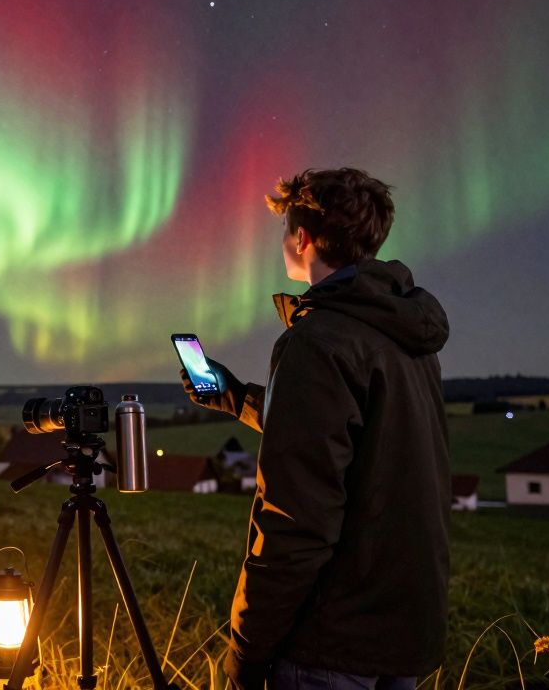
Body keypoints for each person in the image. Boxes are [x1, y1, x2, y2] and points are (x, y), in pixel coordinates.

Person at [180, 168, 450, 690]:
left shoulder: (317, 341)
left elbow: (294, 516)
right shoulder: (404, 336)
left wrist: (248, 648)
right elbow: (354, 442)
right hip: (402, 630)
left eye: (286, 231)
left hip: (329, 641)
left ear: (303, 239)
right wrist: (237, 398)